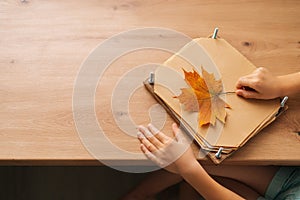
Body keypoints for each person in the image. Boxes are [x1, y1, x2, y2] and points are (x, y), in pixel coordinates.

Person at [122, 67, 300, 200]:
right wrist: (282, 85)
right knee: (205, 161)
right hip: (294, 182)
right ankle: (141, 194)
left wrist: (188, 168)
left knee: (193, 180)